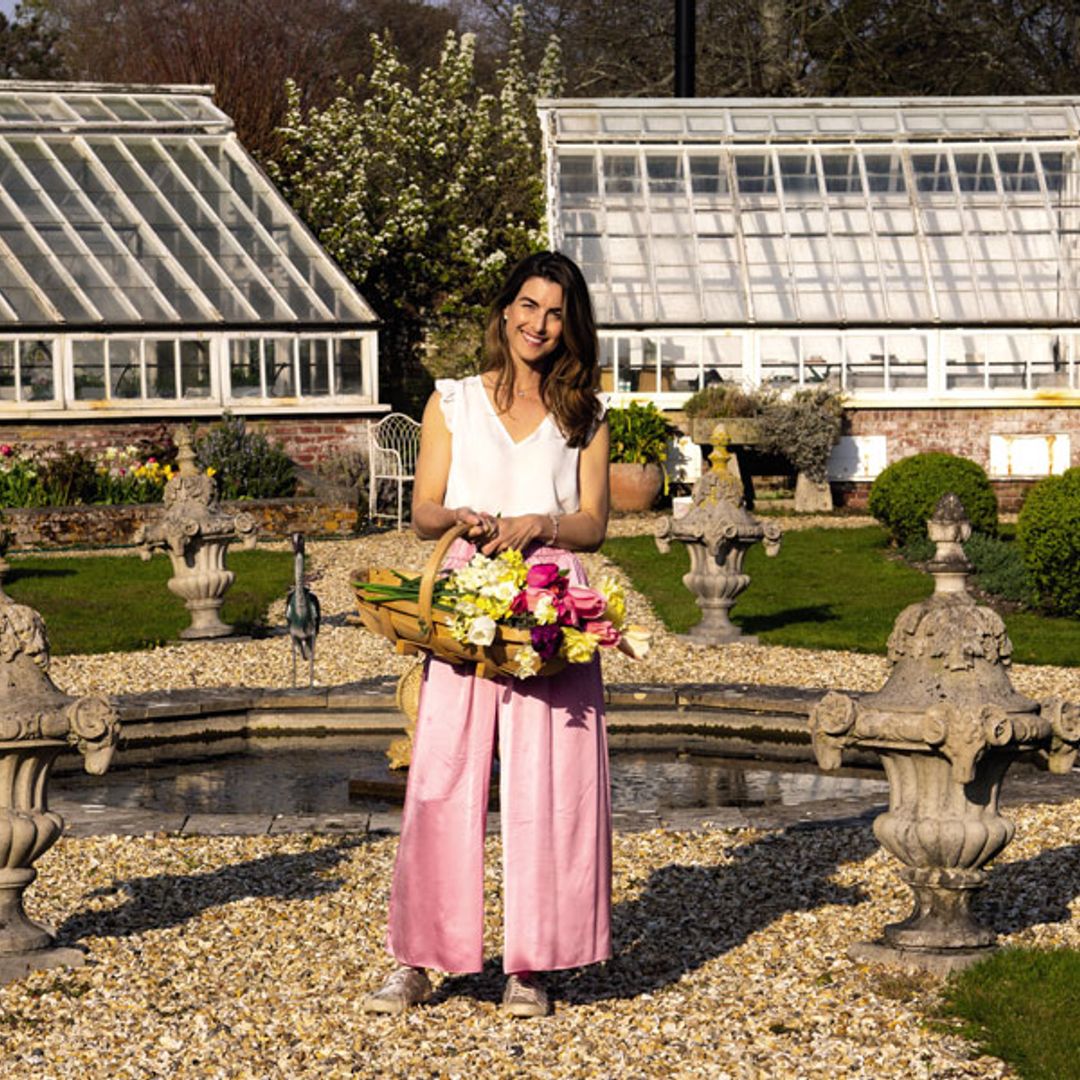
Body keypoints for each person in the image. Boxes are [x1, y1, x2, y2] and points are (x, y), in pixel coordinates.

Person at [363, 251, 612, 1019]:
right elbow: (423, 512)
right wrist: (463, 516)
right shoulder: (454, 402)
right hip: (465, 599)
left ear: (570, 327)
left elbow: (595, 524)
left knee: (555, 790)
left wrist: (543, 521)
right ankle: (418, 959)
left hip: (552, 605)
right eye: (528, 307)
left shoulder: (586, 415)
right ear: (504, 311)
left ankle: (534, 965)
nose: (539, 324)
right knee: (442, 778)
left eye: (556, 312)